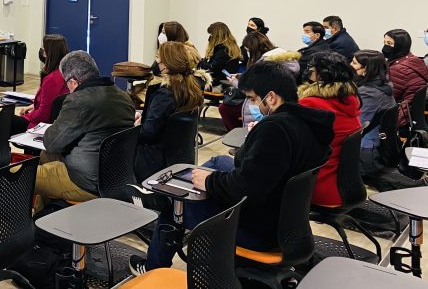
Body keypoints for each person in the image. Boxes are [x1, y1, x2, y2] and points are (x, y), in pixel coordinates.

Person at [131, 62, 333, 274]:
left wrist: (209, 182)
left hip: (260, 229)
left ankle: (152, 267)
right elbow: (264, 172)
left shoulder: (275, 130)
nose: (251, 104)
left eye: (253, 99)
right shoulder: (306, 123)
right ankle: (181, 187)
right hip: (286, 221)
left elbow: (246, 187)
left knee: (174, 208)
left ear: (271, 98)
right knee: (219, 162)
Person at [35, 51, 135, 207]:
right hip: (116, 176)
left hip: (85, 181)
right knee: (46, 155)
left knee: (24, 177)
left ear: (73, 82)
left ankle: (33, 224)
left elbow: (52, 142)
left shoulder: (79, 100)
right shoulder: (123, 97)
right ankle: (45, 216)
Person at [135, 42, 207, 182]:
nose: (157, 62)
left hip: (156, 163)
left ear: (166, 64)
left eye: (158, 58)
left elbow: (148, 133)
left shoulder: (166, 93)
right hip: (181, 158)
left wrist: (136, 125)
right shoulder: (192, 86)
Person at [298, 51, 361, 207]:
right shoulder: (349, 99)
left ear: (320, 75)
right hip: (345, 186)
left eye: (311, 69)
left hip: (319, 186)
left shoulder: (311, 104)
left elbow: (294, 144)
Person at [219, 32, 302, 129]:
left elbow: (254, 89)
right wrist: (242, 76)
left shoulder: (265, 65)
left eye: (248, 50)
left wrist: (235, 82)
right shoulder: (284, 61)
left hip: (264, 108)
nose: (247, 54)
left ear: (254, 49)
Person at [11, 34, 69, 134]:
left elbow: (43, 115)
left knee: (5, 121)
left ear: (49, 53)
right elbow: (49, 102)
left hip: (44, 125)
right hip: (56, 121)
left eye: (44, 48)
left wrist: (28, 116)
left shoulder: (52, 79)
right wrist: (32, 107)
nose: (42, 51)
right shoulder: (66, 71)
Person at [351, 50, 396, 175]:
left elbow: (357, 124)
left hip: (365, 149)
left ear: (366, 69)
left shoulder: (369, 93)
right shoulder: (385, 84)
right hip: (379, 144)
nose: (350, 65)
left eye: (354, 63)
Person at [383, 29, 428, 126]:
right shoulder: (415, 60)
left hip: (400, 119)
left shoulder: (398, 69)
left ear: (400, 46)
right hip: (411, 117)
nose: (385, 46)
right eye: (384, 42)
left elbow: (389, 98)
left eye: (389, 43)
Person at [198, 21, 242, 88]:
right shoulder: (229, 47)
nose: (209, 38)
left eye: (211, 35)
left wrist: (200, 61)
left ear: (216, 36)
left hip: (219, 84)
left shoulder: (223, 50)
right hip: (224, 82)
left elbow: (212, 69)